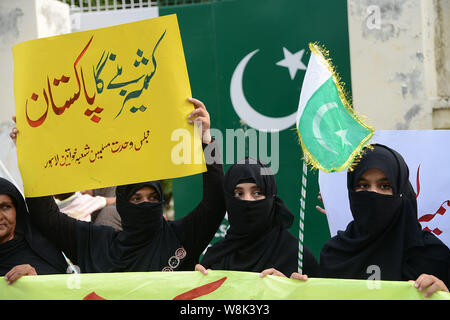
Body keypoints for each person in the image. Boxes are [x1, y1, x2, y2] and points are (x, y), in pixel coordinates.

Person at [11, 97, 226, 273]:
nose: (145, 204)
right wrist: (31, 156)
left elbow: (215, 203)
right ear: (122, 202)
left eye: (152, 198)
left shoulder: (181, 237)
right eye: (136, 198)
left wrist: (205, 140)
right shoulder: (95, 244)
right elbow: (46, 216)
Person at [317, 144, 449, 297]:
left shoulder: (433, 256)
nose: (373, 193)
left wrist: (445, 293)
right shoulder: (335, 254)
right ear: (352, 191)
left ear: (401, 192)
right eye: (363, 185)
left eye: (384, 186)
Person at [195, 157, 318, 279]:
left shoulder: (297, 258)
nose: (247, 200)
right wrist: (198, 284)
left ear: (271, 197)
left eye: (257, 193)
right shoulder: (215, 258)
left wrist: (290, 290)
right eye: (239, 194)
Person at [0, 177, 67, 284]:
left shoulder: (42, 250)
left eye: (5, 207)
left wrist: (35, 283)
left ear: (17, 210)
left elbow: (65, 289)